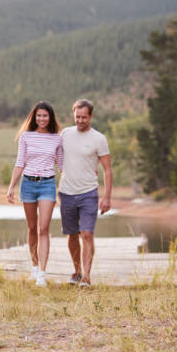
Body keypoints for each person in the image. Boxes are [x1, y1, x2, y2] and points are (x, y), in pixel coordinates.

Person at [6, 101, 63, 287]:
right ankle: (35, 268)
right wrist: (11, 187)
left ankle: (42, 275)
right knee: (32, 229)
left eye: (45, 116)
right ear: (34, 117)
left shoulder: (57, 138)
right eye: (39, 115)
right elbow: (20, 162)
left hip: (47, 184)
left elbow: (62, 165)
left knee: (43, 229)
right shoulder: (26, 137)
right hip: (28, 184)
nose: (42, 119)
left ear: (50, 117)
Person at [59, 99, 113, 287]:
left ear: (91, 116)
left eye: (84, 117)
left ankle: (87, 277)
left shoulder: (99, 139)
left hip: (89, 192)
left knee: (87, 233)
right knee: (72, 234)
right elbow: (55, 155)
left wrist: (107, 197)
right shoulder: (65, 134)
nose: (80, 120)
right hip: (66, 192)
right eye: (77, 117)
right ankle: (77, 271)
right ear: (73, 115)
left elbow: (107, 169)